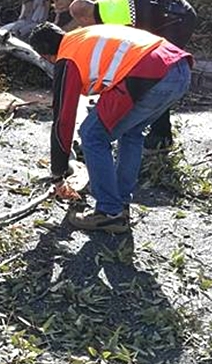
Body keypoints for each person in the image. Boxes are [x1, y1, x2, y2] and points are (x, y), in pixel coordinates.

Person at [27, 22, 192, 233]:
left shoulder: (67, 57)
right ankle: (120, 204)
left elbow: (63, 119)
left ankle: (108, 212)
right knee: (131, 132)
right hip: (179, 69)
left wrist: (58, 174)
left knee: (92, 135)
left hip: (150, 73)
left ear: (46, 56)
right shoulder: (83, 35)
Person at [69, 0, 197, 152]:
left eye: (83, 24)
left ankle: (161, 137)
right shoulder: (105, 0)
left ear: (85, 18)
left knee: (158, 74)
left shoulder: (111, 20)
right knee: (151, 74)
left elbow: (126, 60)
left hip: (176, 20)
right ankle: (149, 130)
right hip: (175, 11)